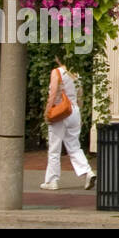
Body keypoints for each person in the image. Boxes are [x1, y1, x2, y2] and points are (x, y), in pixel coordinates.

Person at [40, 56, 95, 191]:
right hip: (74, 111)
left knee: (54, 148)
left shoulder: (57, 72)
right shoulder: (76, 73)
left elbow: (53, 93)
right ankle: (87, 172)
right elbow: (80, 95)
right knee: (74, 146)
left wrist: (47, 112)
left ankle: (52, 181)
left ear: (58, 58)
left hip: (60, 111)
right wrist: (79, 114)